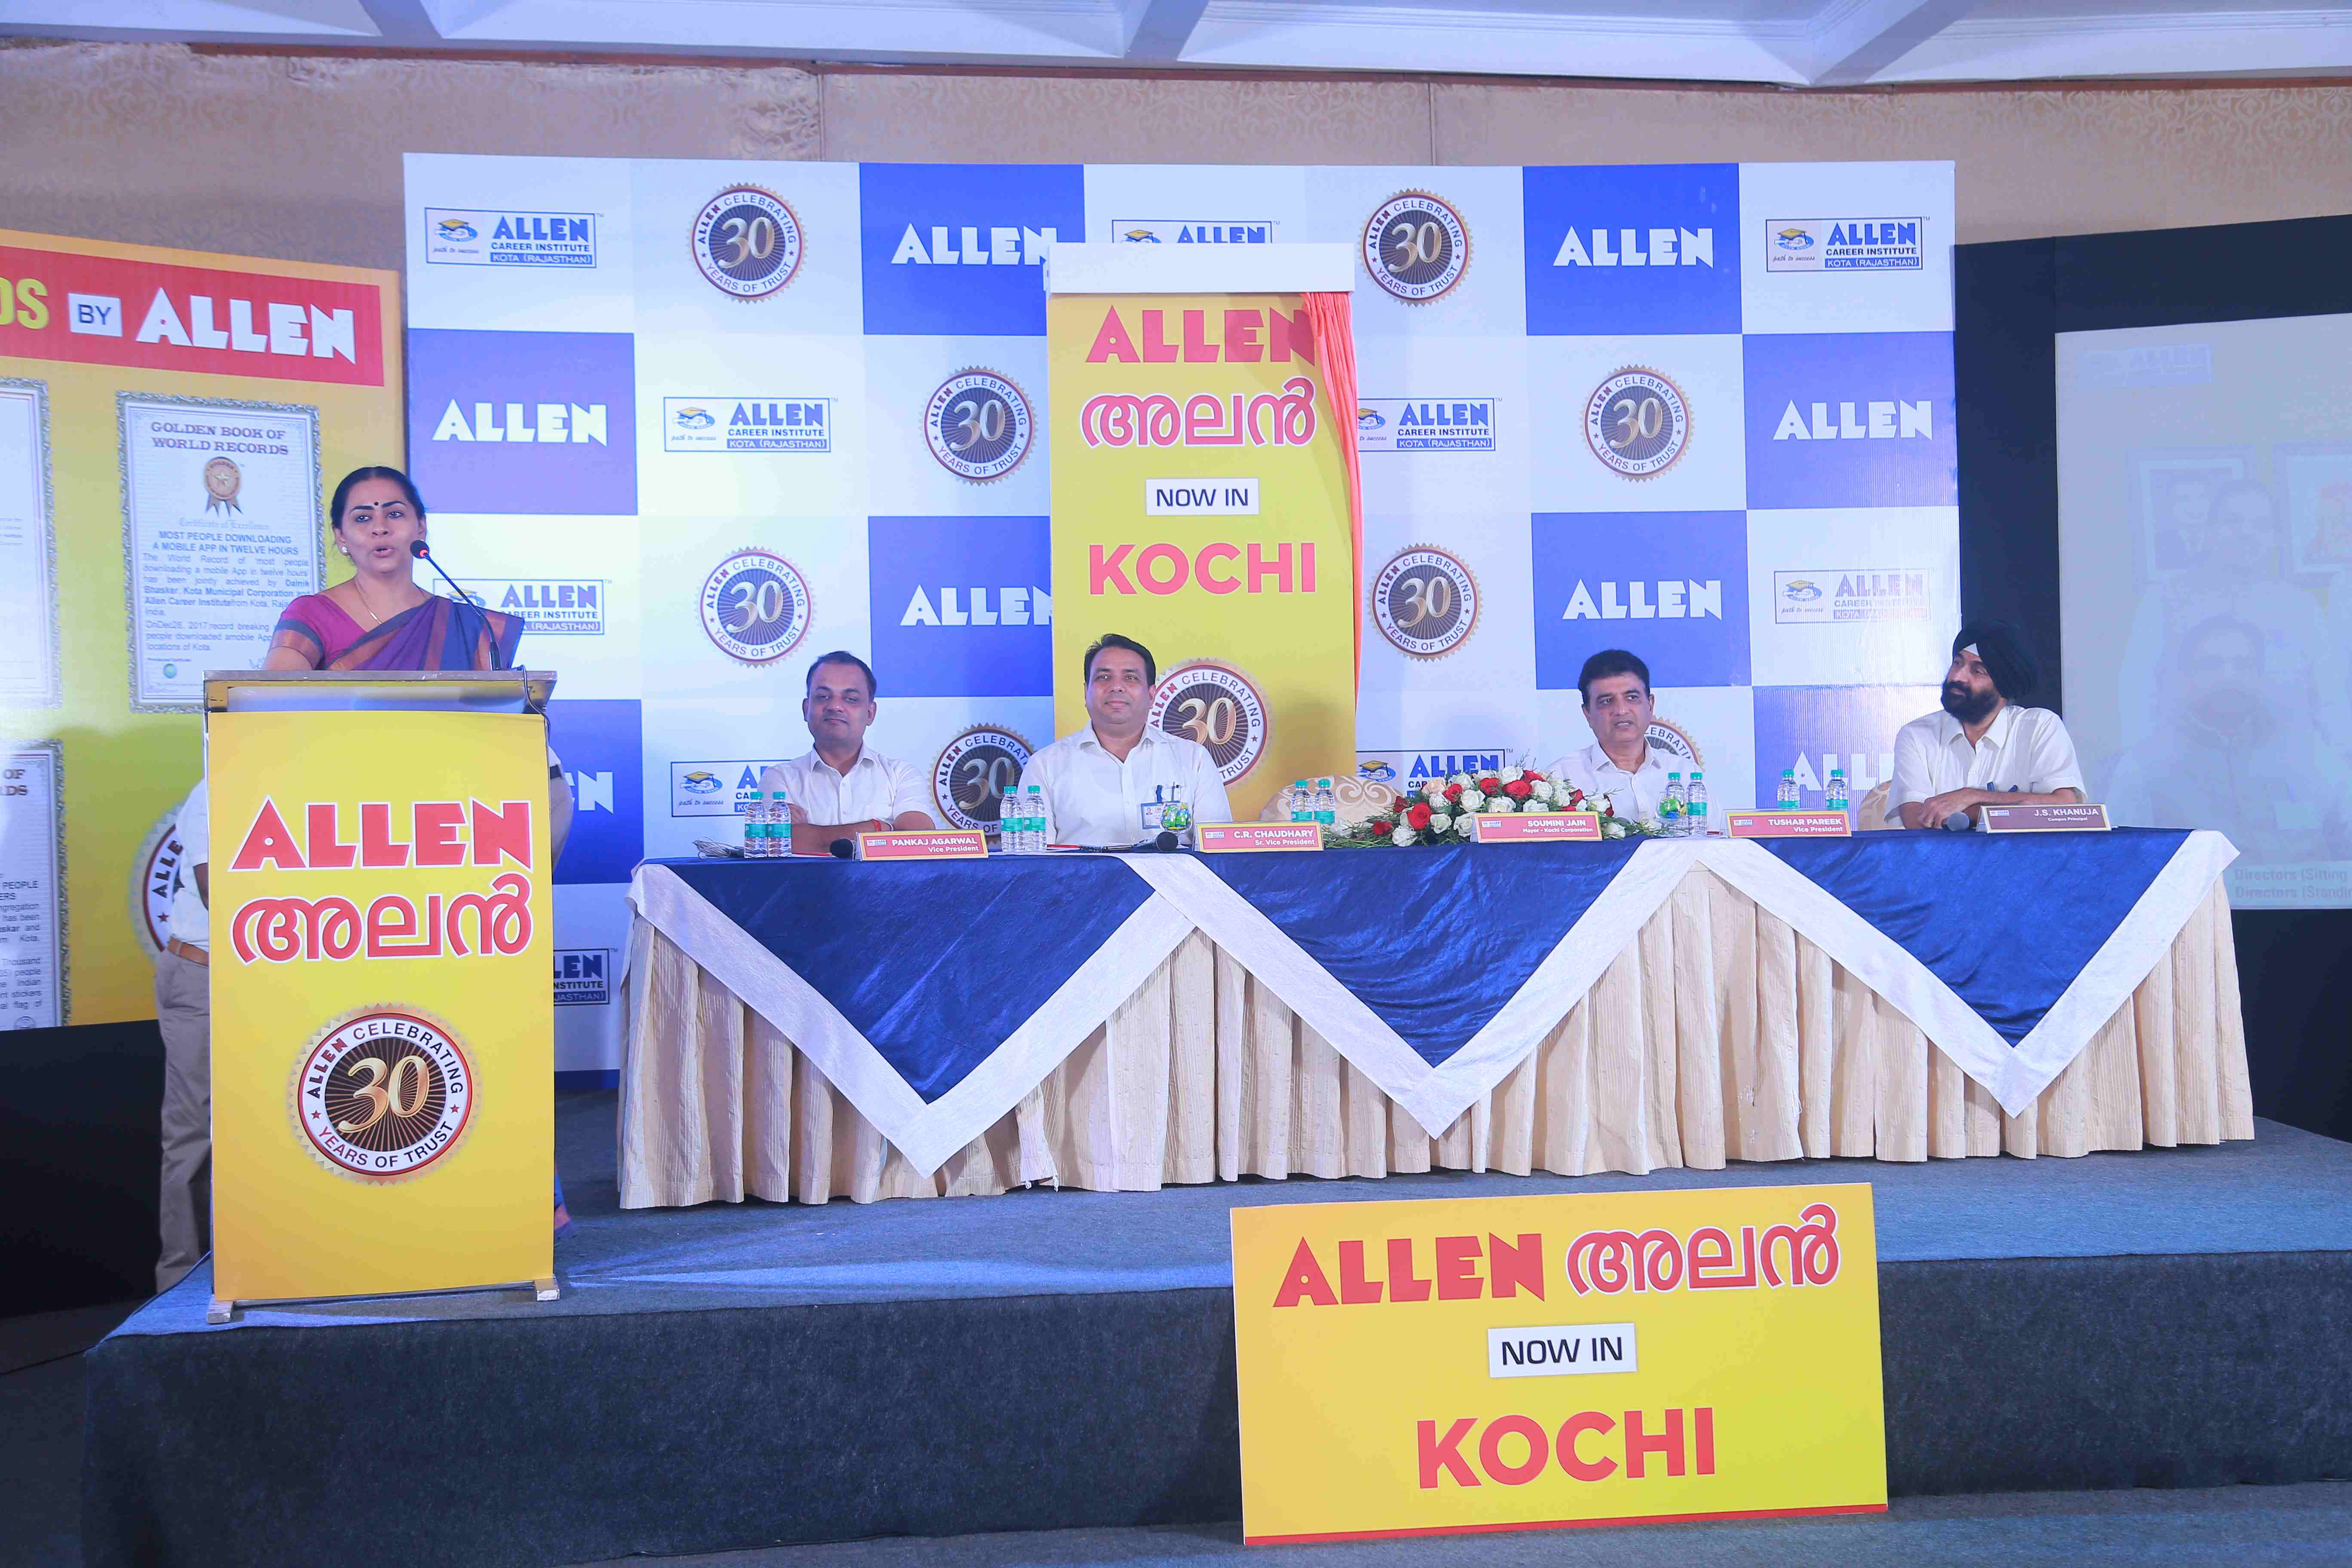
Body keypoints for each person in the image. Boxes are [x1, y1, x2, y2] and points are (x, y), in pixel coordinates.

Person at [267, 466, 573, 1234]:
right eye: (362, 516)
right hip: (357, 857)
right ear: (340, 536)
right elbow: (274, 706)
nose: (380, 527)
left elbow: (512, 735)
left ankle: (503, 1206)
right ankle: (365, 1214)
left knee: (476, 1025)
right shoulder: (311, 615)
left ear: (420, 528)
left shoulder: (469, 626)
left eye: (395, 512)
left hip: (454, 858)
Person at [2106, 614, 2352, 864]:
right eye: (2211, 666)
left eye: (2243, 665)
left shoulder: (2312, 756)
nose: (2229, 678)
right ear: (2187, 679)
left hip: (2309, 891)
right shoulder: (2144, 768)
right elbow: (2121, 862)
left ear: (2260, 676)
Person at [1015, 634, 1231, 846]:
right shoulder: (1045, 766)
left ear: (1152, 695)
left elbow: (1218, 852)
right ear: (1086, 692)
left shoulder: (1194, 760)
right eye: (1104, 677)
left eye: (1130, 678)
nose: (1117, 686)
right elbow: (1032, 860)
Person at [1888, 621, 2085, 829]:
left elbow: (2064, 805)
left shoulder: (2040, 726)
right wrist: (2012, 808)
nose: (1957, 677)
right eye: (1957, 663)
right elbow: (1917, 821)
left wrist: (1971, 797)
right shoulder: (1917, 734)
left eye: (1978, 671)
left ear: (2003, 687)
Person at [757, 652, 936, 854]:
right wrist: (879, 828)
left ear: (870, 714)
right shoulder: (779, 778)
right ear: (806, 709)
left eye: (851, 699)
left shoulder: (901, 775)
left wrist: (811, 834)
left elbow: (918, 841)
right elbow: (779, 842)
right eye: (823, 697)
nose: (835, 706)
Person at [154, 778, 211, 1294]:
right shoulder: (218, 787)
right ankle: (181, 1288)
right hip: (204, 974)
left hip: (269, 978)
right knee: (196, 1134)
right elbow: (219, 892)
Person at [1549, 649, 1677, 818]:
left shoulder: (1685, 774)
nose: (1621, 710)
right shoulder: (1560, 779)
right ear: (1588, 714)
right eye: (1607, 701)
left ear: (1650, 705)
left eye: (1632, 698)